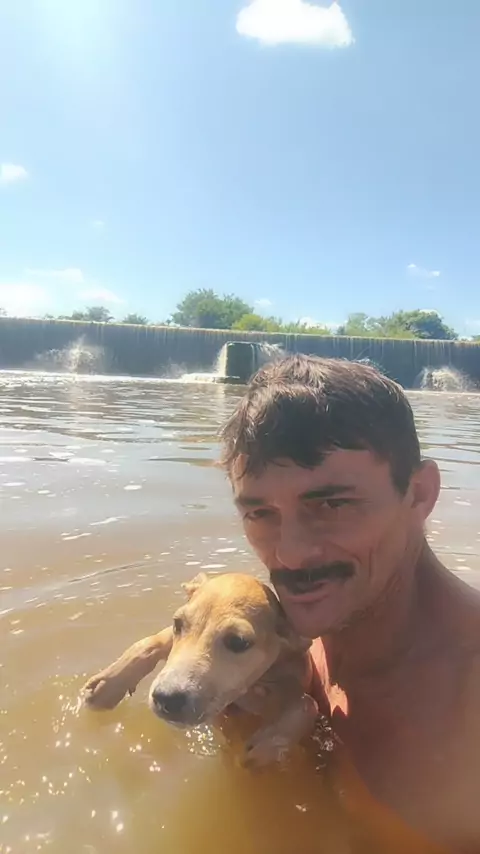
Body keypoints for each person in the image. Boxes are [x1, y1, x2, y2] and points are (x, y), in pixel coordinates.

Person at [219, 354, 480, 853]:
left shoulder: (469, 705)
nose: (289, 553)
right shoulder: (280, 644)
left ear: (419, 494)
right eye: (260, 513)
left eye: (332, 505)